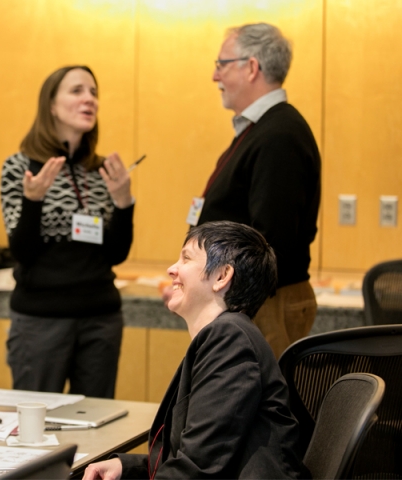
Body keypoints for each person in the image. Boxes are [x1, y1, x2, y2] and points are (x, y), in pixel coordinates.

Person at [82, 221, 308, 480]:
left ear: (222, 276)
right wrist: (127, 467)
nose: (172, 269)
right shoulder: (228, 335)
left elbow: (200, 469)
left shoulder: (230, 339)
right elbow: (203, 455)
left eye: (186, 259)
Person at [0, 65, 135, 398]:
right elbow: (23, 252)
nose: (89, 99)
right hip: (41, 320)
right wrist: (33, 200)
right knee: (36, 432)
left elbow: (116, 255)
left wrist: (123, 204)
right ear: (51, 106)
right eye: (77, 91)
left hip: (100, 318)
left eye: (93, 92)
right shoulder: (21, 166)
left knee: (97, 433)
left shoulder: (104, 170)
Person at [189, 23, 321, 358]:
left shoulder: (278, 135)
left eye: (222, 64)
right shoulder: (262, 130)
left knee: (259, 408)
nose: (214, 77)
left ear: (251, 67)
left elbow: (269, 240)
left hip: (264, 309)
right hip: (249, 306)